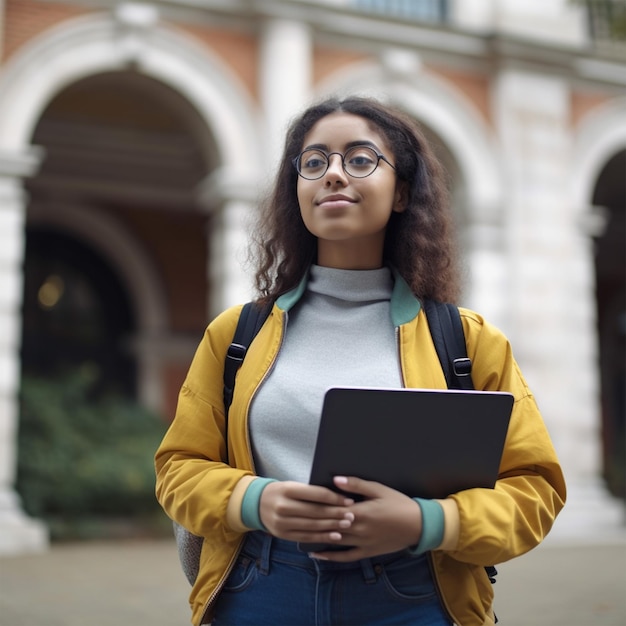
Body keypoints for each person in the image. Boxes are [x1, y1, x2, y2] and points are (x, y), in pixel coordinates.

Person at [155, 96, 566, 626]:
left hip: (415, 595)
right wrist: (253, 500)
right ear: (296, 189)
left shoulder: (466, 340)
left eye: (360, 158)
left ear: (402, 193)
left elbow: (536, 488)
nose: (332, 174)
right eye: (314, 161)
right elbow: (177, 468)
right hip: (261, 589)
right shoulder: (236, 334)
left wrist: (428, 521)